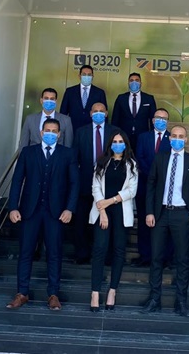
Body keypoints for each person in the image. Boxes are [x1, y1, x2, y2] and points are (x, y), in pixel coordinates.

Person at [6, 118, 79, 311]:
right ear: (41, 132)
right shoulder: (28, 152)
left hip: (56, 213)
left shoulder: (68, 154)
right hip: (29, 211)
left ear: (59, 134)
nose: (50, 133)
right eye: (47, 130)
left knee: (54, 253)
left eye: (54, 131)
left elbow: (74, 183)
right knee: (25, 252)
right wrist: (13, 207)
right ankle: (22, 293)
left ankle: (53, 294)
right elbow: (17, 180)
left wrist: (69, 208)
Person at [141, 125, 189, 317]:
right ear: (169, 139)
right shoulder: (160, 158)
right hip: (160, 214)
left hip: (182, 214)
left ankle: (181, 301)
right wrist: (149, 212)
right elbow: (151, 185)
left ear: (185, 139)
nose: (177, 139)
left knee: (182, 259)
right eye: (174, 136)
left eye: (181, 136)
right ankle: (155, 299)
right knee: (156, 258)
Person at [88, 129, 138, 312]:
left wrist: (110, 201)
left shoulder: (131, 165)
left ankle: (112, 291)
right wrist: (102, 211)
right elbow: (95, 188)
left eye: (121, 142)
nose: (118, 144)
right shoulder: (101, 162)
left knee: (118, 251)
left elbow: (131, 191)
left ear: (126, 145)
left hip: (120, 213)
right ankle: (95, 293)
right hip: (101, 212)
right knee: (99, 250)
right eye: (115, 142)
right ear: (110, 144)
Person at [71, 103, 116, 264]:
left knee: (107, 220)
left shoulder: (115, 131)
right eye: (95, 111)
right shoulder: (81, 132)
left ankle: (106, 256)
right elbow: (74, 158)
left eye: (101, 111)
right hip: (84, 183)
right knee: (81, 220)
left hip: (107, 185)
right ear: (90, 113)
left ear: (106, 113)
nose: (98, 113)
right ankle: (82, 254)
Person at [133, 108, 172, 267]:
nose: (161, 120)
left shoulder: (171, 138)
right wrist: (151, 175)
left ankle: (164, 258)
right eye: (158, 117)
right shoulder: (143, 137)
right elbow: (139, 157)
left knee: (163, 223)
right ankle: (145, 256)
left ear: (167, 121)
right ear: (153, 120)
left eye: (164, 118)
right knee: (144, 221)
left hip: (164, 187)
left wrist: (158, 177)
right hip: (144, 184)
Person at [111, 73, 157, 151]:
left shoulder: (149, 98)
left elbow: (153, 119)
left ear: (141, 83)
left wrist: (152, 136)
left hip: (142, 135)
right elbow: (115, 119)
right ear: (128, 83)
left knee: (140, 156)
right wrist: (115, 135)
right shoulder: (121, 98)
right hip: (124, 135)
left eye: (137, 80)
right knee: (124, 156)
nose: (134, 82)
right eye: (131, 80)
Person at [60, 64, 107, 131]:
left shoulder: (99, 93)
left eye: (89, 75)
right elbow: (63, 112)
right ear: (79, 76)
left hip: (92, 129)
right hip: (73, 128)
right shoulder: (70, 91)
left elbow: (104, 113)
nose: (86, 76)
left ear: (92, 76)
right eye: (84, 74)